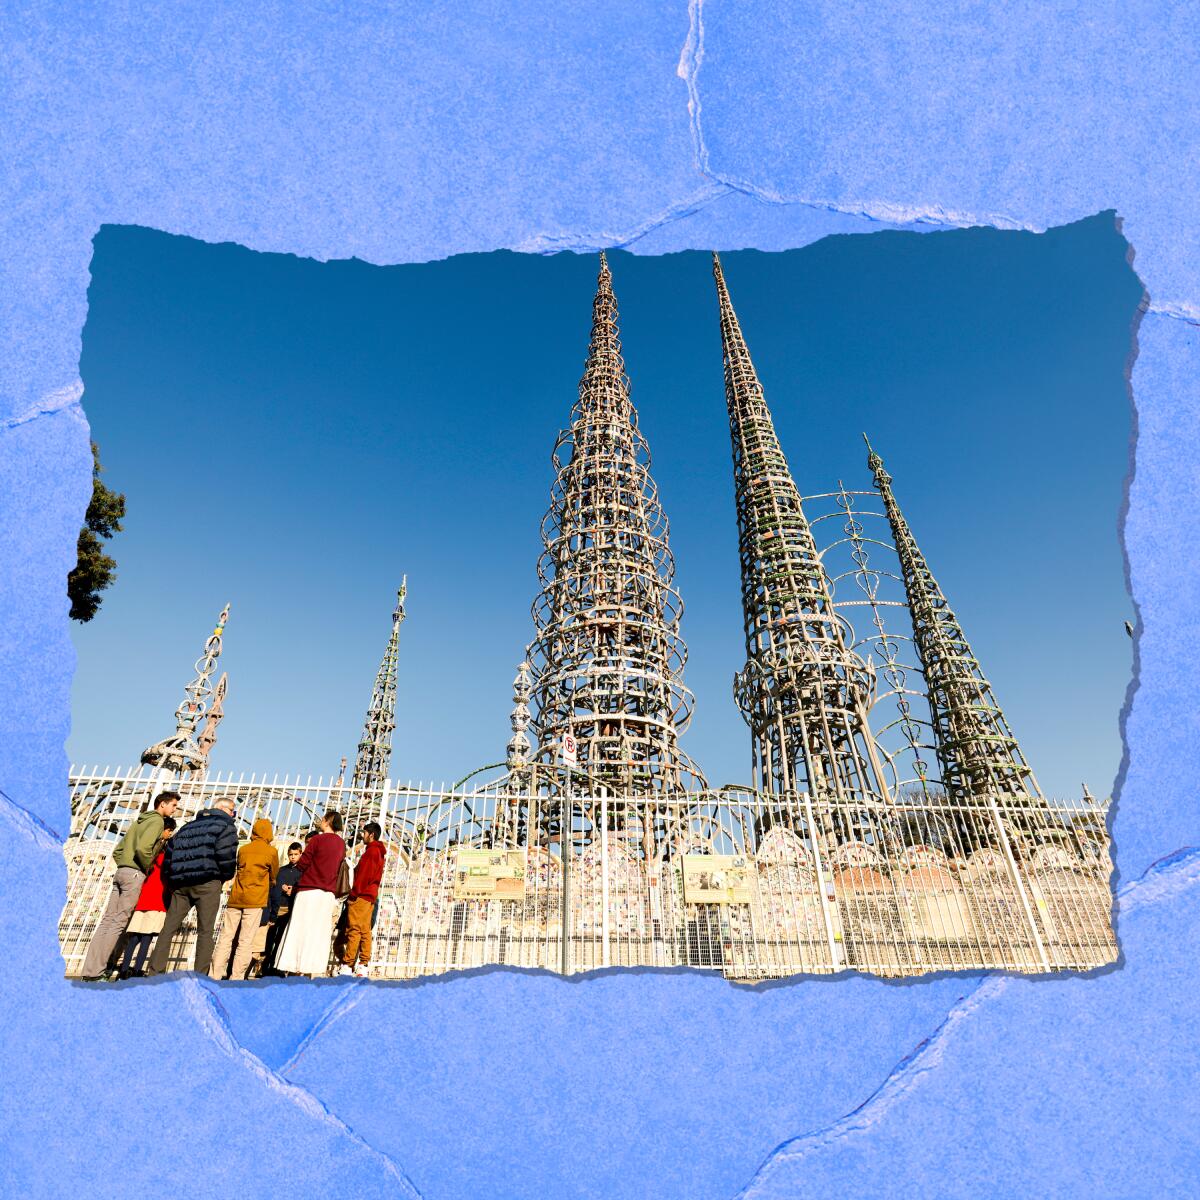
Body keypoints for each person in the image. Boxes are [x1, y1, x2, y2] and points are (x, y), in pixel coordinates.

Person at [80, 790, 180, 980]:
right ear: (162, 804)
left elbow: (118, 850)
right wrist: (146, 866)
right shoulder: (157, 821)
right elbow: (144, 849)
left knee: (107, 922)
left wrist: (125, 864)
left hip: (122, 870)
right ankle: (97, 973)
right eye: (173, 805)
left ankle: (89, 970)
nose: (175, 809)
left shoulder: (140, 820)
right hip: (135, 873)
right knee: (118, 924)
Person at [145, 796, 239, 975]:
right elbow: (226, 855)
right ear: (224, 809)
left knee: (168, 929)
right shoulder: (226, 827)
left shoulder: (186, 827)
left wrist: (172, 880)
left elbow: (169, 856)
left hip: (181, 885)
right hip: (208, 883)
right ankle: (200, 976)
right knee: (205, 931)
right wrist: (224, 876)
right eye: (233, 810)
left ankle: (154, 972)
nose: (234, 814)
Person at [274, 810, 346, 977]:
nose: (320, 820)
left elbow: (302, 864)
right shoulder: (341, 844)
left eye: (323, 818)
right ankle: (311, 968)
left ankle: (294, 966)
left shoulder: (317, 840)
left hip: (308, 890)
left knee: (300, 929)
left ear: (328, 821)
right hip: (327, 894)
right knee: (317, 932)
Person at [209, 817, 279, 980]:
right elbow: (274, 876)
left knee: (226, 938)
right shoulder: (271, 852)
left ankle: (214, 974)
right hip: (255, 900)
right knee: (246, 941)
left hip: (236, 898)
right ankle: (237, 977)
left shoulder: (244, 849)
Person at [116, 816, 177, 979]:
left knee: (134, 936)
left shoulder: (152, 854)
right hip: (158, 900)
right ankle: (137, 970)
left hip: (143, 898)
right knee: (147, 939)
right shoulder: (167, 857)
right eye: (170, 831)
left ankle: (123, 969)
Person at [338, 821, 387, 978]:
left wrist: (353, 894)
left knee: (354, 930)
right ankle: (363, 964)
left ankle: (347, 964)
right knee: (365, 930)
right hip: (370, 896)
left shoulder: (371, 852)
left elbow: (364, 876)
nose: (362, 835)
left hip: (361, 895)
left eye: (364, 833)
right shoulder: (378, 852)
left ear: (371, 834)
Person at [261, 842, 303, 975]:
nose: (293, 857)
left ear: (301, 854)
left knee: (281, 940)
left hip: (290, 909)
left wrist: (293, 890)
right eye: (291, 854)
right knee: (269, 939)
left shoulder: (302, 872)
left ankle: (276, 967)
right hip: (277, 908)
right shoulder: (282, 870)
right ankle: (265, 966)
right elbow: (274, 888)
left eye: (296, 854)